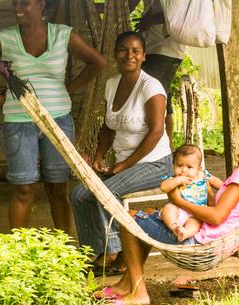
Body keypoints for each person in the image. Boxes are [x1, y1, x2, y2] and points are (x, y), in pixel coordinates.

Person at [98, 131, 239, 304]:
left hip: (197, 240)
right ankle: (125, 284)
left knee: (129, 218)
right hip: (214, 241)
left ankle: (139, 293)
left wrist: (177, 200)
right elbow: (221, 208)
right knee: (146, 213)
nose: (238, 153)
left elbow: (217, 217)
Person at [0, 0, 105, 232]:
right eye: (14, 3)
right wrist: (0, 100)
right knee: (24, 188)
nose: (17, 7)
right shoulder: (3, 38)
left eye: (24, 2)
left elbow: (97, 63)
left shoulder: (63, 35)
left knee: (58, 187)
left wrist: (67, 89)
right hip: (19, 123)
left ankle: (64, 248)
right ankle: (20, 253)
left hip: (58, 120)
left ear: (41, 4)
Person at [70, 31, 173, 275]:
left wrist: (125, 164)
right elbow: (108, 125)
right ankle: (97, 250)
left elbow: (157, 131)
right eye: (123, 50)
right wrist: (99, 154)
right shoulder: (111, 84)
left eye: (136, 51)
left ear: (144, 56)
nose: (129, 55)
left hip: (155, 164)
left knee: (107, 191)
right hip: (124, 164)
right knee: (79, 194)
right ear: (115, 54)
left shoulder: (151, 87)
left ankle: (115, 251)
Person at [129, 0, 187, 145]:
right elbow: (128, 6)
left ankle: (156, 145)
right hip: (151, 47)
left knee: (149, 95)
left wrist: (149, 20)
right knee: (162, 96)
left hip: (167, 49)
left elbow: (180, 12)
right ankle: (167, 146)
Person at [159, 144, 223, 241]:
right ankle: (174, 227)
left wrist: (226, 188)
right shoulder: (174, 178)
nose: (183, 170)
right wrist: (179, 180)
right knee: (168, 208)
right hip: (178, 210)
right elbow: (163, 187)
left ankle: (184, 233)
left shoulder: (203, 175)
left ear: (199, 169)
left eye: (189, 167)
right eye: (179, 165)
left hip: (196, 212)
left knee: (196, 223)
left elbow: (215, 181)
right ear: (173, 165)